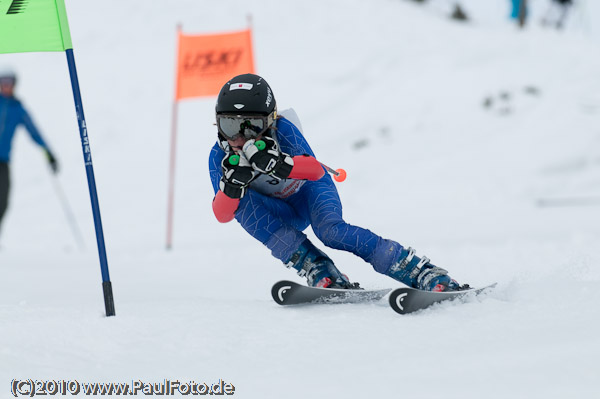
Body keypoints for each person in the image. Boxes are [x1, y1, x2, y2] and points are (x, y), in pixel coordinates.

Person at [208, 74, 466, 292]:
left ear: (270, 121)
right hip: (280, 214)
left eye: (252, 126)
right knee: (241, 203)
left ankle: (418, 271)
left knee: (331, 232)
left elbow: (314, 171)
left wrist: (279, 163)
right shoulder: (219, 157)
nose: (240, 138)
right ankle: (317, 267)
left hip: (308, 194)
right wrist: (231, 186)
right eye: (230, 125)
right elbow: (222, 215)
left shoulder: (283, 130)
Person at [0, 70, 59, 235]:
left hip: (3, 161)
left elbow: (35, 133)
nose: (5, 85)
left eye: (9, 82)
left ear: (14, 85)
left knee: (2, 202)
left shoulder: (17, 109)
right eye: (3, 82)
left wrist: (49, 154)